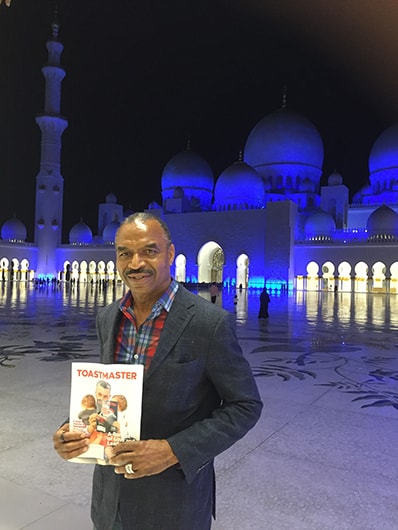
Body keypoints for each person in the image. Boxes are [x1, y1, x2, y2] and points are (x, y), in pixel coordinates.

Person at [53, 212, 263, 530]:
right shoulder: (109, 318)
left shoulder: (209, 323)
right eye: (125, 253)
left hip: (174, 506)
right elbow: (108, 394)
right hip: (110, 503)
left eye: (149, 251)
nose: (135, 263)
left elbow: (245, 405)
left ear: (170, 253)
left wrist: (172, 451)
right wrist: (74, 429)